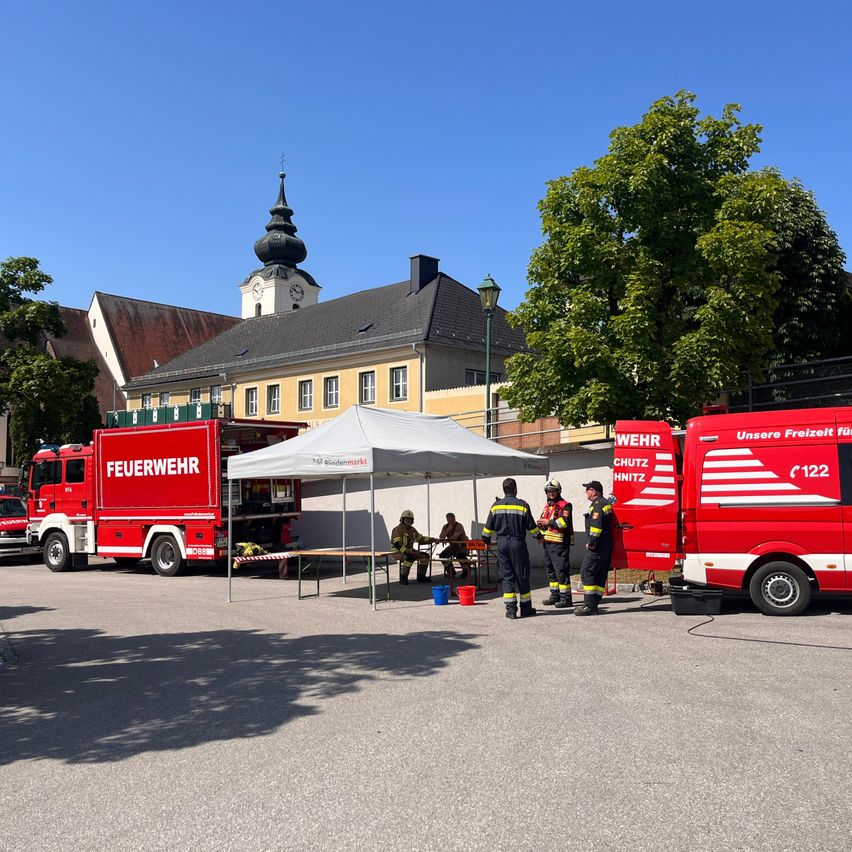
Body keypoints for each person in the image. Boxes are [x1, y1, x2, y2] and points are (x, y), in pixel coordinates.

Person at [481, 478, 542, 619]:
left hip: (501, 544)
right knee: (522, 575)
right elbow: (532, 527)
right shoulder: (522, 505)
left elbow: (487, 529)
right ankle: (526, 609)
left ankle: (511, 610)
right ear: (515, 489)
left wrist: (486, 541)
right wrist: (539, 537)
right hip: (517, 543)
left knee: (507, 576)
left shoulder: (495, 506)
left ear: (504, 490)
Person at [576, 480, 614, 616]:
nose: (586, 492)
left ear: (594, 491)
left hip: (598, 546)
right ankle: (594, 605)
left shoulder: (598, 505)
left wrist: (591, 543)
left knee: (586, 572)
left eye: (588, 489)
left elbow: (596, 527)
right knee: (599, 574)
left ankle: (589, 606)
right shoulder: (605, 503)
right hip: (606, 545)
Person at [538, 479, 574, 608]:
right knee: (551, 570)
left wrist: (548, 522)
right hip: (548, 542)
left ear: (559, 491)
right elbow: (546, 523)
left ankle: (566, 598)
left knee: (561, 570)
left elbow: (564, 523)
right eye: (548, 491)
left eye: (553, 491)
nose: (551, 493)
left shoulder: (565, 505)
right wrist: (541, 527)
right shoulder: (548, 506)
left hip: (559, 543)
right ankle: (555, 595)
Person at [390, 509, 437, 584]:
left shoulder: (412, 529)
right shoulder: (398, 529)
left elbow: (420, 538)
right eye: (406, 519)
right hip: (397, 552)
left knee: (425, 556)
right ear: (402, 519)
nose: (408, 520)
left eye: (410, 519)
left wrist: (434, 539)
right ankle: (403, 577)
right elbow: (397, 544)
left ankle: (421, 576)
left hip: (409, 551)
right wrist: (407, 551)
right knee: (410, 557)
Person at [437, 512, 471, 578]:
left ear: (455, 518)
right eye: (449, 520)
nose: (452, 521)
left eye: (453, 519)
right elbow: (441, 536)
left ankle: (466, 570)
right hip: (453, 546)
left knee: (460, 555)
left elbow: (454, 537)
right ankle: (451, 571)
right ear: (447, 520)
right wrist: (448, 529)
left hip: (463, 545)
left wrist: (445, 540)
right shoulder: (445, 526)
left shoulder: (459, 525)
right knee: (442, 555)